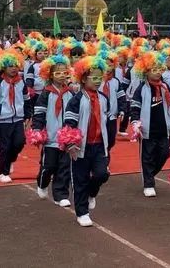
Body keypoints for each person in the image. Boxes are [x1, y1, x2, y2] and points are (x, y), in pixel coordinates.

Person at [62, 55, 113, 227]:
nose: (98, 81)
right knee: (80, 179)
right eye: (94, 78)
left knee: (102, 174)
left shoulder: (104, 98)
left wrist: (109, 143)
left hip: (99, 145)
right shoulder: (76, 100)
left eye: (100, 78)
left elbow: (107, 122)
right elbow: (69, 123)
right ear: (83, 79)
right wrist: (71, 144)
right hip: (81, 147)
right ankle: (82, 212)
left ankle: (92, 192)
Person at [0, 50, 32, 183]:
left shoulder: (21, 82)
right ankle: (3, 172)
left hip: (18, 119)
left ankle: (10, 160)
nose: (13, 69)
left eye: (15, 65)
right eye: (10, 66)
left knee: (19, 142)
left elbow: (26, 100)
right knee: (4, 147)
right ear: (4, 67)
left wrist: (28, 114)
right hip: (3, 120)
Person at [32, 54, 74, 207]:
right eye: (58, 73)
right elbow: (39, 113)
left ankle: (60, 195)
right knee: (48, 166)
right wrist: (37, 129)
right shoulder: (46, 93)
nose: (62, 75)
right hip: (50, 138)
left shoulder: (70, 93)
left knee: (64, 168)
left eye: (64, 72)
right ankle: (42, 183)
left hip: (66, 139)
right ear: (50, 75)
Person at [129, 51, 170, 197]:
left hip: (163, 129)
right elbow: (135, 107)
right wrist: (136, 122)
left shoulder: (164, 86)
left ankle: (150, 173)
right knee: (147, 156)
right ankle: (148, 183)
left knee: (164, 153)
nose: (157, 72)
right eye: (154, 69)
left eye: (159, 69)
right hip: (147, 130)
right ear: (146, 71)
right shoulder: (141, 88)